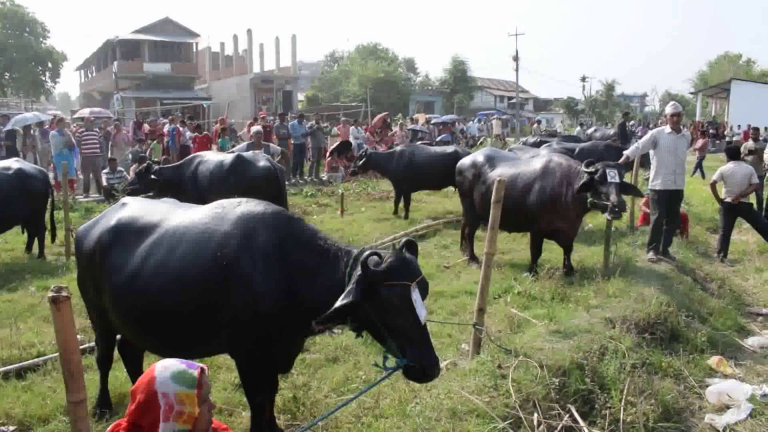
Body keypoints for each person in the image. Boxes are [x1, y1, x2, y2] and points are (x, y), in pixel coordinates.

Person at [618, 101, 690, 263]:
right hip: (659, 184)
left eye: (678, 115)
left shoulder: (686, 136)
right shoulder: (657, 134)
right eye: (672, 116)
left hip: (677, 184)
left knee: (673, 219)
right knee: (658, 218)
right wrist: (620, 163)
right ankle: (652, 250)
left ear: (682, 116)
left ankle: (665, 250)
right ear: (665, 118)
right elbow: (638, 147)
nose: (676, 119)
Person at [710, 145, 768, 265]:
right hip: (744, 204)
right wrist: (741, 195)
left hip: (727, 203)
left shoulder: (724, 169)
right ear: (740, 154)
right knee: (762, 225)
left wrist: (719, 200)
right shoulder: (749, 169)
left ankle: (721, 254)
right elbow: (755, 185)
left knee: (725, 231)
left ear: (727, 156)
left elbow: (712, 183)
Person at [76, 117, 104, 198]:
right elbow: (77, 144)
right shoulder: (80, 132)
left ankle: (100, 192)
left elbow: (101, 143)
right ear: (85, 123)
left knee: (98, 175)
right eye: (90, 122)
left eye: (92, 122)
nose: (92, 124)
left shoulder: (96, 131)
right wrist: (79, 155)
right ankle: (86, 193)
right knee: (86, 176)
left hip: (97, 157)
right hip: (86, 157)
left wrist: (102, 154)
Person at [741, 126, 766, 215]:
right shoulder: (745, 145)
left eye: (755, 134)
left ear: (759, 134)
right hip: (747, 174)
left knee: (759, 195)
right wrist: (745, 154)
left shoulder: (764, 145)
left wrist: (758, 153)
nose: (753, 136)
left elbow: (764, 160)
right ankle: (745, 213)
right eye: (751, 134)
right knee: (744, 195)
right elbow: (739, 159)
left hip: (759, 173)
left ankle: (759, 214)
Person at [49, 117, 77, 194]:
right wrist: (66, 140)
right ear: (59, 124)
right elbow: (59, 144)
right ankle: (60, 194)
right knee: (59, 177)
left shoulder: (68, 133)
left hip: (68, 158)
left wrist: (68, 138)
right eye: (63, 123)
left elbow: (73, 145)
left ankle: (72, 194)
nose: (65, 124)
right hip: (59, 158)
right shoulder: (53, 134)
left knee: (70, 177)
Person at [307, 113, 327, 181]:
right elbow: (308, 132)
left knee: (319, 160)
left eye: (318, 116)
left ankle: (316, 175)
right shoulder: (310, 124)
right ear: (313, 117)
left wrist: (322, 128)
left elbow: (325, 133)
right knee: (313, 160)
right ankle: (310, 175)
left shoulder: (322, 124)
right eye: (316, 116)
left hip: (320, 144)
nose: (317, 117)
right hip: (313, 144)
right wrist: (315, 128)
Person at [289, 113, 309, 182]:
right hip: (296, 143)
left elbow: (306, 132)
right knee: (295, 160)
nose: (302, 120)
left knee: (302, 160)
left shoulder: (303, 124)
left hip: (302, 143)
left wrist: (306, 134)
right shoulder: (292, 124)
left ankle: (301, 175)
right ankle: (294, 175)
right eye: (301, 119)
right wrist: (300, 135)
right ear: (298, 118)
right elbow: (291, 134)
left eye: (303, 119)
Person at [273, 112, 292, 177]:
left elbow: (289, 136)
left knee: (288, 160)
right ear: (279, 117)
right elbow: (278, 136)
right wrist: (285, 136)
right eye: (283, 117)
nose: (284, 118)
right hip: (280, 145)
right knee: (280, 161)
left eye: (285, 117)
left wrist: (284, 136)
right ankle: (280, 175)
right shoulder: (276, 126)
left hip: (286, 145)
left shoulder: (286, 126)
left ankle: (288, 176)